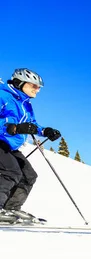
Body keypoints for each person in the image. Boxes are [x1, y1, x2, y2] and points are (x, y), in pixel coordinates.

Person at [0, 68, 62, 223]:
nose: (38, 90)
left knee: (28, 175)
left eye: (38, 87)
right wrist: (13, 127)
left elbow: (31, 124)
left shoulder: (26, 104)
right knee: (11, 171)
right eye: (34, 86)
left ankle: (11, 208)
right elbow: (12, 125)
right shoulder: (3, 96)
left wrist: (45, 131)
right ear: (20, 83)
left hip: (10, 146)